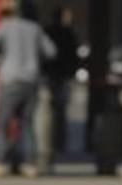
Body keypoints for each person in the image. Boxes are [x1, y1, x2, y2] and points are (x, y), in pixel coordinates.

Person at [0, 0, 55, 178]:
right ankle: (29, 163)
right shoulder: (35, 28)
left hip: (11, 79)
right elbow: (51, 51)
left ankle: (0, 161)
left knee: (2, 122)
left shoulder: (6, 27)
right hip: (31, 79)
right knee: (27, 123)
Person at [43, 6, 79, 155]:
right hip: (62, 75)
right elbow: (74, 55)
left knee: (48, 110)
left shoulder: (48, 32)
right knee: (60, 110)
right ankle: (59, 142)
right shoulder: (67, 33)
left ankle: (50, 142)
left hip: (51, 74)